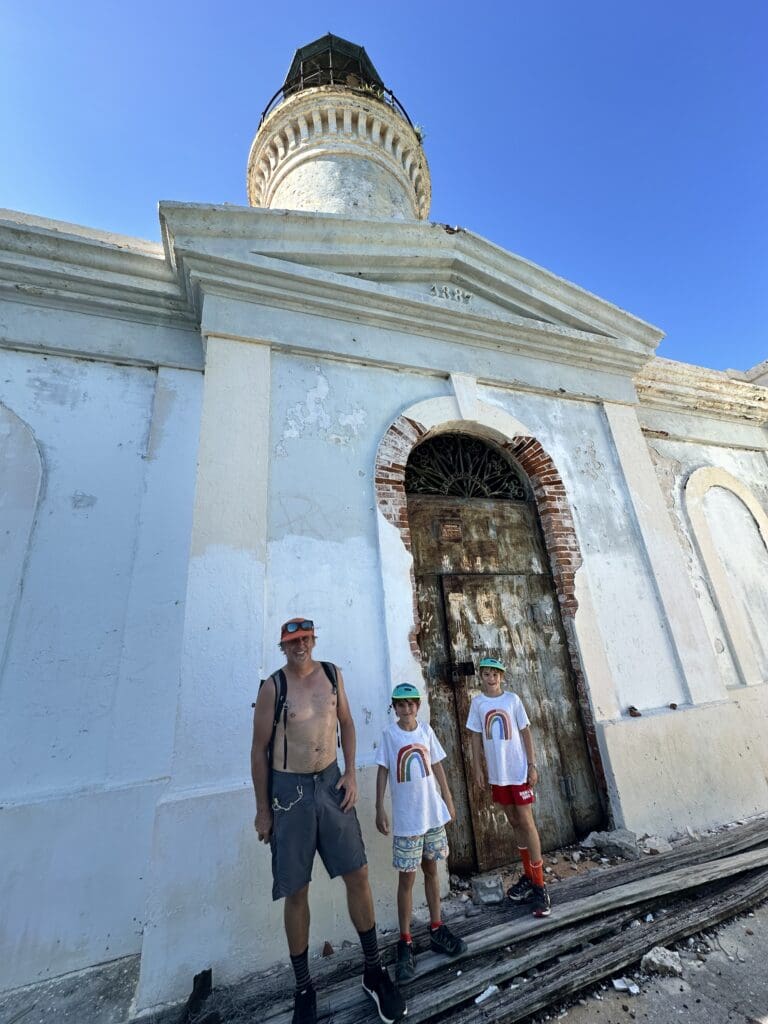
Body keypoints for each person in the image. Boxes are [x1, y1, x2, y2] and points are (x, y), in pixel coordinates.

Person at [251, 618, 407, 1024]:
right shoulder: (273, 687)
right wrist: (263, 809)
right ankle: (304, 989)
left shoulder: (333, 674)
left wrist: (352, 772)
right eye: (292, 642)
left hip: (331, 781)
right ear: (282, 647)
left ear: (314, 640)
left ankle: (373, 971)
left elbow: (349, 724)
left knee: (358, 873)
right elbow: (259, 749)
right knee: (296, 890)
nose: (299, 646)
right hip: (290, 793)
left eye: (305, 639)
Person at [375, 682, 467, 983]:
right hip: (407, 820)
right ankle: (405, 940)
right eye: (400, 705)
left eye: (411, 704)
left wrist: (448, 798)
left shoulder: (426, 732)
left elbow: (438, 765)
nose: (406, 709)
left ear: (418, 706)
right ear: (394, 708)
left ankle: (437, 927)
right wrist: (379, 806)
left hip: (430, 815)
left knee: (432, 871)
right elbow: (383, 770)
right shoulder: (389, 736)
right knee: (407, 879)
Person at [466, 656, 551, 918]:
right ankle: (528, 876)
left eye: (495, 674)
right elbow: (475, 736)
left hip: (517, 771)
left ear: (501, 677)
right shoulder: (478, 703)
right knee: (513, 821)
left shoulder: (512, 700)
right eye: (486, 674)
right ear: (480, 677)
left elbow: (525, 731)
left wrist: (532, 764)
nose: (491, 679)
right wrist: (478, 768)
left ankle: (540, 886)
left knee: (526, 821)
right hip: (498, 774)